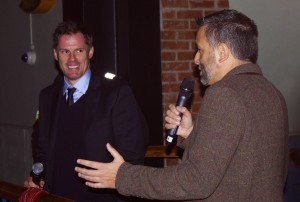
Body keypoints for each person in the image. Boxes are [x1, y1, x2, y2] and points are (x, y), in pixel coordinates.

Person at [75, 9, 289, 202]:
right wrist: (191, 134)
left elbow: (194, 181)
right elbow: (243, 160)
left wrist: (122, 176)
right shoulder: (272, 93)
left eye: (200, 50)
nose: (196, 59)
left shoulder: (224, 94)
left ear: (222, 52)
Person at [24, 21, 147, 202]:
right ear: (55, 54)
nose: (72, 59)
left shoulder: (116, 92)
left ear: (90, 52)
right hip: (57, 196)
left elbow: (133, 152)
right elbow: (41, 146)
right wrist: (39, 175)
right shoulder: (47, 96)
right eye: (65, 51)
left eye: (79, 51)